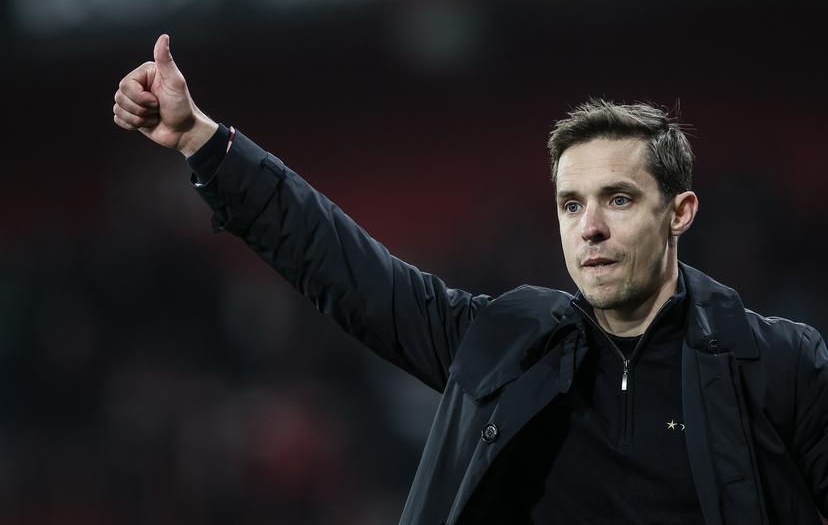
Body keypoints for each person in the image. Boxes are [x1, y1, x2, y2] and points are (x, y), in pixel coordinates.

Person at [113, 34, 828, 524]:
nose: (590, 229)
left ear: (680, 213)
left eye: (618, 199)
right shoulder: (508, 343)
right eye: (571, 205)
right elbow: (344, 266)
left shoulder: (777, 365)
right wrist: (203, 141)